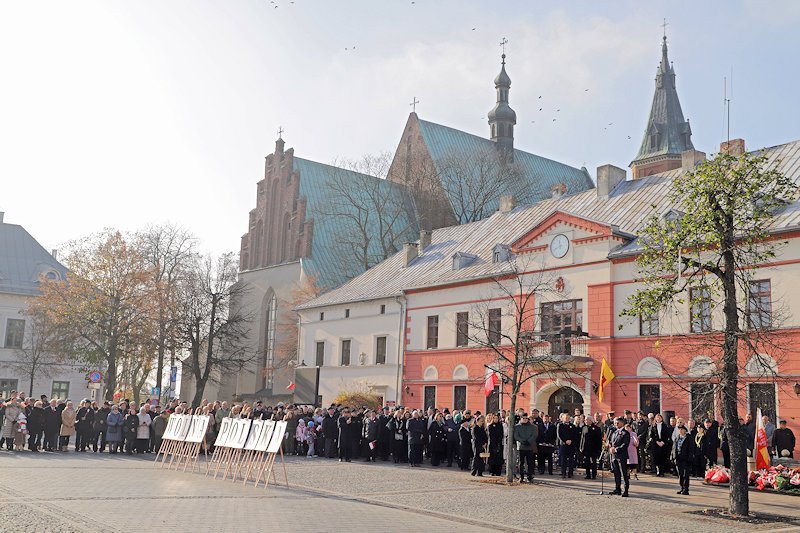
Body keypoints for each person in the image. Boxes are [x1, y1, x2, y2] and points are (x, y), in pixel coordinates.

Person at [608, 417, 631, 497]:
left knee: (624, 473)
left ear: (622, 423)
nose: (616, 424)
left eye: (617, 423)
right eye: (615, 423)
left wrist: (616, 449)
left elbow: (625, 445)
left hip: (622, 456)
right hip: (614, 456)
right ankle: (617, 488)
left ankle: (626, 490)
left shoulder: (625, 433)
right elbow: (612, 442)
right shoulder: (614, 432)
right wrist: (610, 447)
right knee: (616, 473)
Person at [672, 425, 696, 495]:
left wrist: (690, 458)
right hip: (678, 458)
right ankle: (681, 487)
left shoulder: (689, 438)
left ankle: (686, 489)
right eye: (679, 430)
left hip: (686, 459)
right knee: (680, 474)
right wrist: (673, 457)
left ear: (685, 430)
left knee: (686, 475)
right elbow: (674, 448)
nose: (680, 431)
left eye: (682, 429)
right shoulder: (677, 438)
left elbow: (691, 450)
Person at [514, 413, 537, 483]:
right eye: (523, 418)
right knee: (521, 462)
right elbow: (516, 436)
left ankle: (530, 476)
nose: (525, 420)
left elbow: (534, 435)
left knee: (530, 462)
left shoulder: (532, 427)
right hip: (521, 447)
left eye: (526, 418)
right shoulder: (517, 427)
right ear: (521, 419)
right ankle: (521, 476)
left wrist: (529, 441)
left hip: (529, 446)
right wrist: (522, 441)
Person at [556, 413, 577, 478]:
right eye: (566, 418)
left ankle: (570, 473)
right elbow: (559, 435)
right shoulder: (560, 425)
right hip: (563, 445)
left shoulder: (572, 426)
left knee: (571, 459)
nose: (567, 419)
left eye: (568, 418)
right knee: (563, 459)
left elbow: (574, 435)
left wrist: (571, 440)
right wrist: (565, 441)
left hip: (571, 445)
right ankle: (563, 473)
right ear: (562, 418)